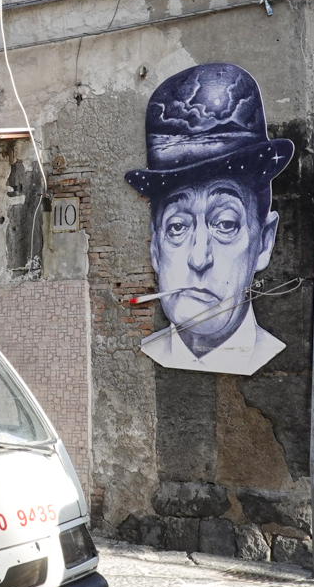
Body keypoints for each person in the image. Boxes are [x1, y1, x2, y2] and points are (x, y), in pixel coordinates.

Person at [126, 63, 294, 375]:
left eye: (226, 225)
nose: (199, 258)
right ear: (155, 248)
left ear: (264, 242)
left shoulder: (276, 363)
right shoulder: (147, 355)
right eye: (177, 227)